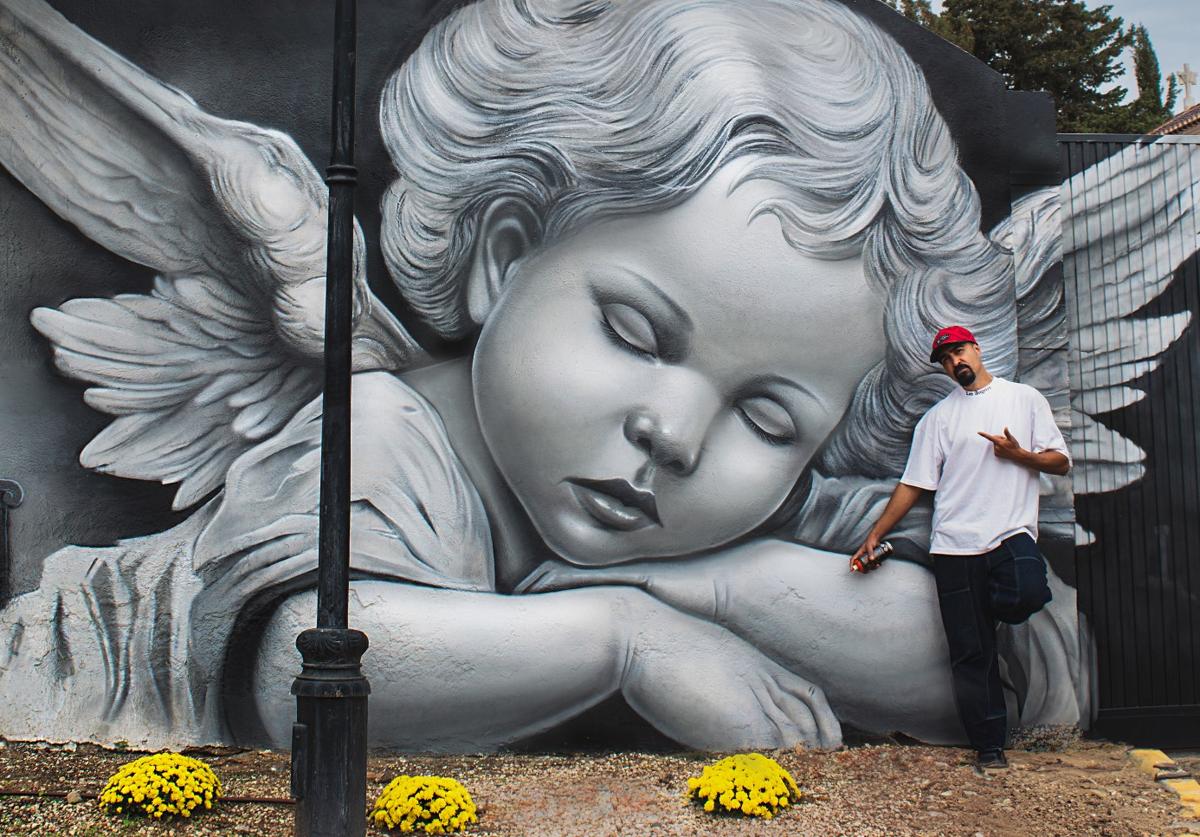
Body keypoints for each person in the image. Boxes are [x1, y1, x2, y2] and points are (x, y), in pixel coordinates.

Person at [0, 0, 1089, 752]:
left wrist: (716, 582)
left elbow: (1019, 666)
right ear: (502, 254)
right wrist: (626, 639)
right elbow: (306, 672)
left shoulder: (759, 506)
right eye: (637, 331)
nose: (675, 435)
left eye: (768, 413)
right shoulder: (387, 430)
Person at [850, 325, 1071, 770]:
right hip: (954, 548)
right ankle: (989, 746)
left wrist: (1020, 456)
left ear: (976, 349)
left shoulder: (1023, 399)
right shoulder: (938, 419)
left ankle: (995, 608)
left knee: (1027, 590)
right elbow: (914, 484)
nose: (955, 363)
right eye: (946, 359)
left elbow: (1060, 462)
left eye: (959, 352)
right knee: (971, 654)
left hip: (1009, 535)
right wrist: (876, 533)